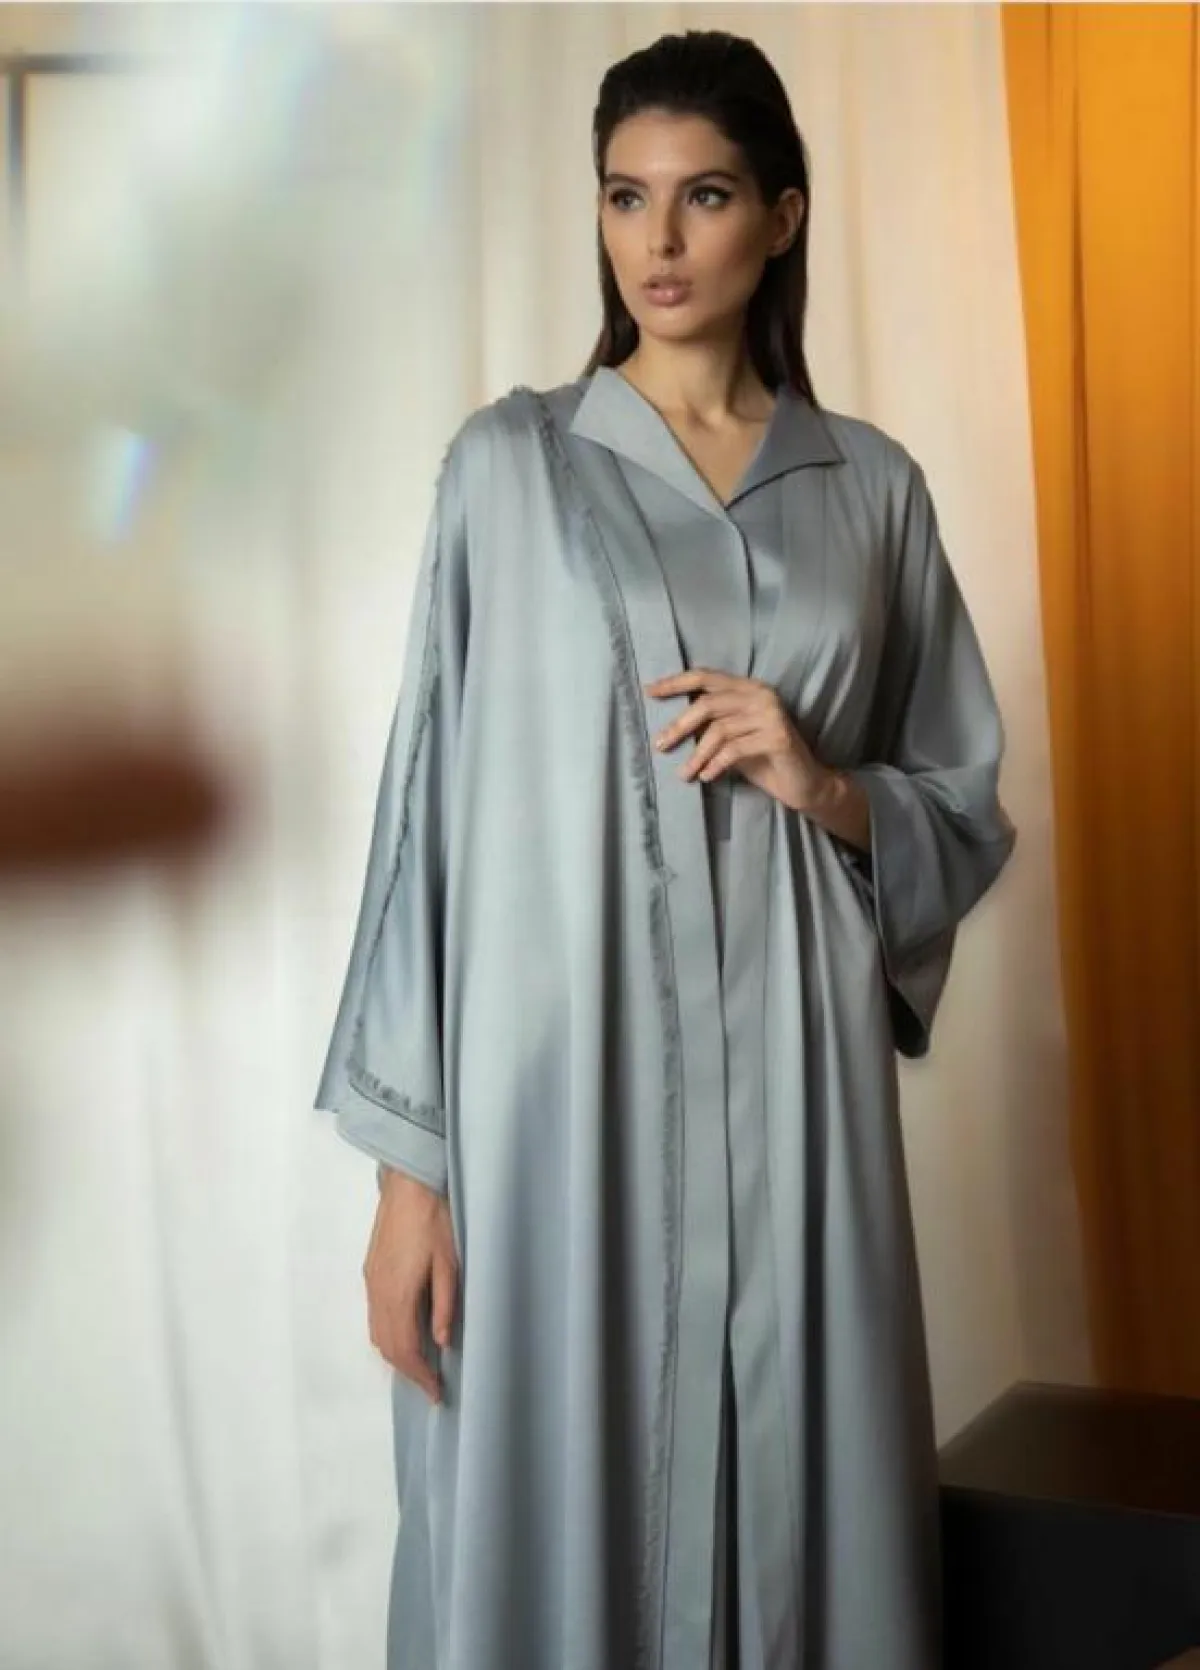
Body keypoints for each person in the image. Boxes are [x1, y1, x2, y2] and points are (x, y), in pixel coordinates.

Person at [315, 28, 1015, 1670]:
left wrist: (825, 781)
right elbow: (424, 821)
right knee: (554, 1497)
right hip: (559, 1111)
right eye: (626, 197)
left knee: (800, 1509)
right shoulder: (511, 471)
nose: (660, 240)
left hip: (798, 1099)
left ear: (782, 214)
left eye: (704, 195)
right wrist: (410, 1181)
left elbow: (960, 802)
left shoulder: (873, 491)